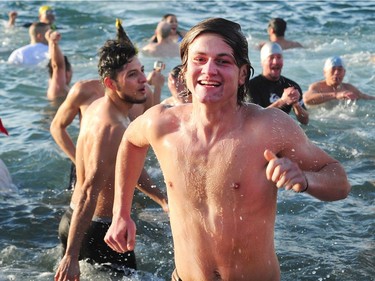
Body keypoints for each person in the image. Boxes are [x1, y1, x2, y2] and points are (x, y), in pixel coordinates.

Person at [104, 18, 350, 281]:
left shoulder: (269, 128)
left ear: (243, 73)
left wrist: (305, 180)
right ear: (186, 70)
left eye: (222, 61)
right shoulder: (163, 124)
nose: (209, 70)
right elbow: (130, 141)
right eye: (199, 60)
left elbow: (339, 180)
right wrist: (121, 212)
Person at [54, 27, 168, 281]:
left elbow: (128, 167)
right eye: (133, 75)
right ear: (110, 83)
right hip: (96, 231)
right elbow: (88, 192)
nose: (144, 80)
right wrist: (71, 255)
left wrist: (162, 199)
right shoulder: (114, 127)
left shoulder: (99, 106)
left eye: (141, 71)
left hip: (75, 221)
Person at [50, 19, 164, 190]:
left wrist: (157, 88)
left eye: (138, 68)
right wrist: (78, 160)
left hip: (124, 168)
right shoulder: (84, 90)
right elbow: (57, 127)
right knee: (80, 204)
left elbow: (151, 131)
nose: (138, 76)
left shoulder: (143, 93)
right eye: (130, 71)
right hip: (88, 165)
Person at [249, 42, 309, 125]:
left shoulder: (291, 86)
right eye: (271, 57)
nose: (276, 62)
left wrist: (296, 104)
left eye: (279, 57)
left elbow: (305, 121)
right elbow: (253, 120)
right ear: (262, 62)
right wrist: (282, 101)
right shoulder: (251, 87)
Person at [303, 56, 375, 107]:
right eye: (333, 69)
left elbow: (365, 97)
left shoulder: (348, 88)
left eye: (340, 70)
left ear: (344, 72)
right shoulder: (318, 87)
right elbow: (306, 99)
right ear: (325, 72)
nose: (336, 72)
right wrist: (336, 95)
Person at [46, 30, 72, 100]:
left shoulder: (53, 85)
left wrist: (50, 43)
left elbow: (53, 62)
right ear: (67, 73)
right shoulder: (59, 88)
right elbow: (58, 66)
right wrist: (54, 43)